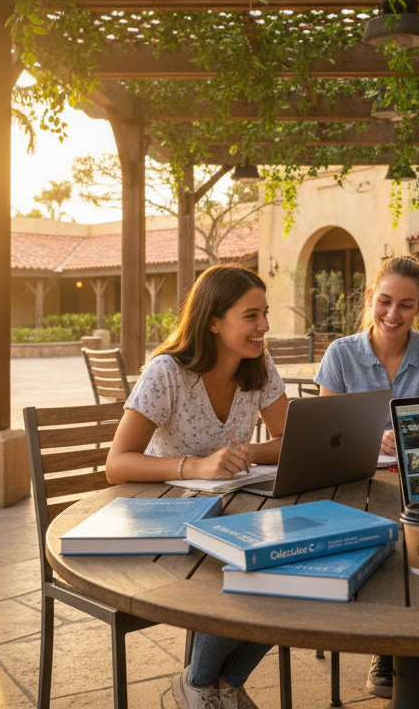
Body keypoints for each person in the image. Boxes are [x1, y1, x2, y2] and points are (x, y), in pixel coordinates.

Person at [107, 263, 289, 709]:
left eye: (264, 313)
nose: (263, 326)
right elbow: (117, 463)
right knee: (250, 565)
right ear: (213, 320)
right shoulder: (166, 372)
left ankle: (218, 686)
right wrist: (196, 466)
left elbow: (289, 441)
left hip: (234, 513)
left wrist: (249, 452)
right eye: (251, 316)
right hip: (171, 518)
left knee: (298, 558)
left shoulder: (258, 365)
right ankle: (202, 683)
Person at [314, 254, 419, 698]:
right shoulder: (342, 354)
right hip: (362, 482)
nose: (393, 315)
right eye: (384, 302)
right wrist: (367, 439)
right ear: (369, 299)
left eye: (406, 305)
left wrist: (412, 437)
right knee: (380, 531)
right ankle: (387, 644)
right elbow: (325, 434)